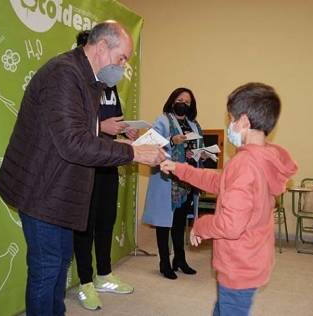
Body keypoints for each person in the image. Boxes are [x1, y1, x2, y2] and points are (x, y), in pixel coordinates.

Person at [0, 21, 165, 316]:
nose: (123, 67)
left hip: (61, 191)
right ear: (101, 47)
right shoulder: (64, 74)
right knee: (46, 271)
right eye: (122, 58)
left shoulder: (87, 80)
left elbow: (82, 138)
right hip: (42, 191)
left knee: (60, 263)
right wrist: (133, 153)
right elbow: (74, 143)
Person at [159, 82, 298, 315]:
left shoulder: (245, 164)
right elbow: (219, 182)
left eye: (231, 119)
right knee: (223, 308)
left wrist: (200, 225)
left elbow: (231, 225)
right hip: (251, 257)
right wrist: (180, 168)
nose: (230, 125)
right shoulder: (261, 159)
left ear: (244, 121)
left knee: (230, 308)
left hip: (239, 264)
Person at [72, 30, 139, 311]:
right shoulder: (77, 81)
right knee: (85, 224)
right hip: (87, 162)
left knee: (106, 219)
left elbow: (114, 120)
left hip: (109, 159)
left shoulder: (108, 85)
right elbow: (76, 128)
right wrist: (103, 127)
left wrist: (125, 131)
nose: (119, 65)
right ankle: (85, 281)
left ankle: (104, 274)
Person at [142, 87, 206, 280]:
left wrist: (202, 154)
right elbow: (151, 143)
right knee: (164, 223)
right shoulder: (162, 120)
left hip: (187, 181)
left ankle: (180, 259)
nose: (183, 104)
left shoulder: (194, 125)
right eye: (180, 100)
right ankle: (164, 262)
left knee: (180, 222)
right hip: (167, 179)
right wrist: (171, 140)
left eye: (187, 102)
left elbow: (198, 148)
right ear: (172, 101)